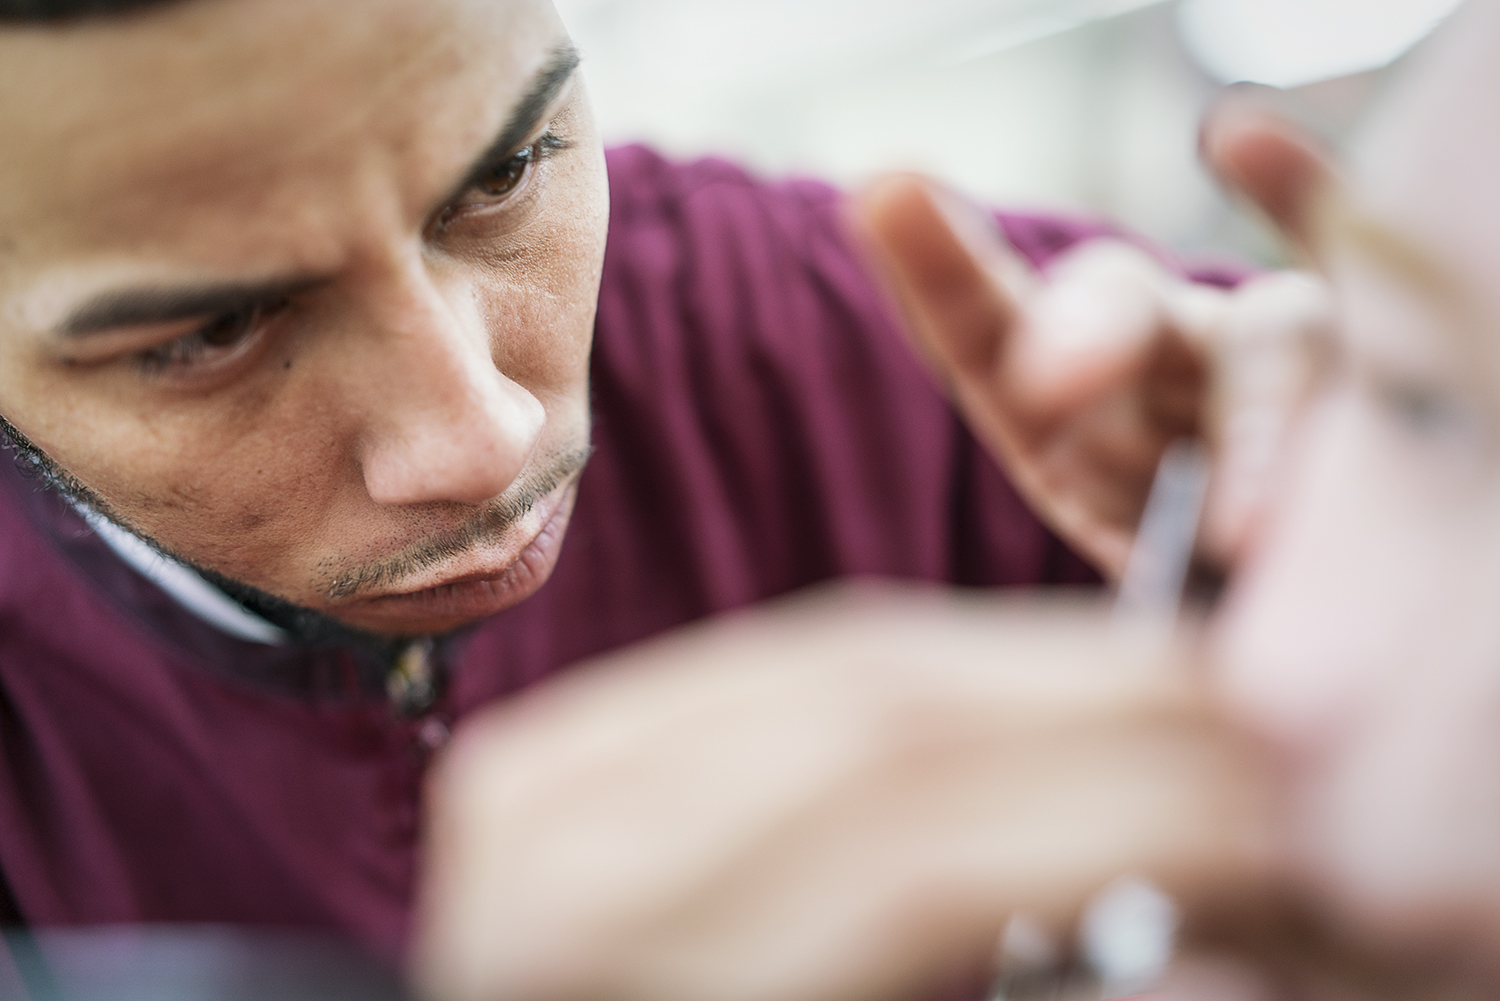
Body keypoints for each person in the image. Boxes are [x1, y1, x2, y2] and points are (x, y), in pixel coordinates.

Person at [0, 0, 1337, 999]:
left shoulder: (863, 327)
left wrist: (1401, 495)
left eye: (504, 178)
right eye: (208, 331)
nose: (485, 435)